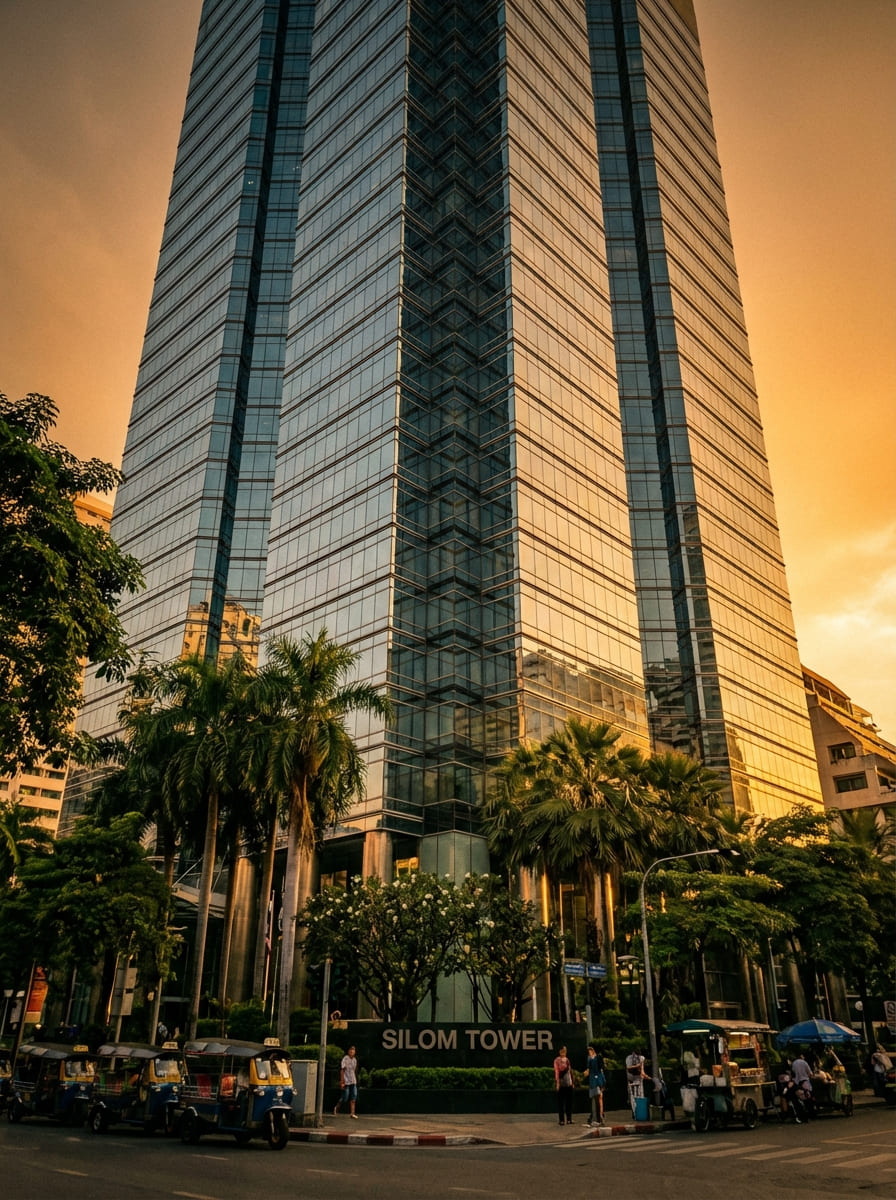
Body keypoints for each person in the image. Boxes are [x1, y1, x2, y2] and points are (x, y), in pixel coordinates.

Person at [333, 1045, 359, 1118]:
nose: (352, 1051)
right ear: (348, 1051)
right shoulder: (345, 1059)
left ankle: (352, 1113)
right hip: (346, 1081)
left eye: (353, 1050)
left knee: (354, 1096)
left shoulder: (354, 1060)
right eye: (350, 1050)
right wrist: (342, 1081)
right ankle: (336, 1107)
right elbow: (342, 1070)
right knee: (345, 1097)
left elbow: (354, 1070)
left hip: (353, 1081)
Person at [584, 1046, 605, 1126]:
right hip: (593, 1080)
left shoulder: (597, 1058)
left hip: (597, 1080)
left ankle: (599, 1117)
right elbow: (589, 1069)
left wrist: (601, 1081)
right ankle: (597, 1116)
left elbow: (600, 1068)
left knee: (599, 1098)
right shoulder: (589, 1059)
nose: (589, 1053)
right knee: (596, 1098)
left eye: (590, 1051)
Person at [554, 1045, 575, 1126]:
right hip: (562, 1084)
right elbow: (556, 1072)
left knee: (569, 1102)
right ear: (559, 1052)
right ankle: (562, 1120)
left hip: (568, 1083)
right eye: (562, 1051)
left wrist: (572, 1082)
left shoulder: (567, 1060)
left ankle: (569, 1119)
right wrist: (557, 1084)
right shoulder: (557, 1060)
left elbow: (570, 1071)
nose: (564, 1053)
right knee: (561, 1103)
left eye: (565, 1051)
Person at [625, 1048, 648, 1115]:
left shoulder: (641, 1058)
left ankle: (639, 1111)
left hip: (638, 1077)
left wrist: (643, 1075)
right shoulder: (629, 1058)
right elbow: (628, 1068)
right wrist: (636, 1066)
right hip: (631, 1077)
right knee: (632, 1095)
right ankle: (634, 1111)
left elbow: (642, 1068)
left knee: (639, 1094)